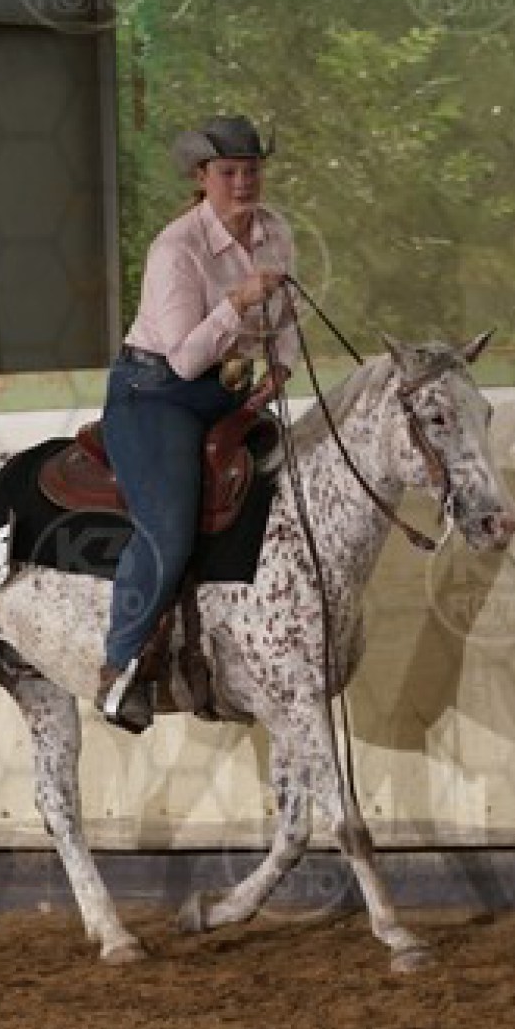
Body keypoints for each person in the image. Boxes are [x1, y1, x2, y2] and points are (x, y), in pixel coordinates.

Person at [97, 115, 299, 732]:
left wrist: (282, 367)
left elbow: (288, 312)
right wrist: (236, 302)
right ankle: (120, 664)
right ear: (202, 177)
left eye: (251, 170)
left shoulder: (275, 231)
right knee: (168, 530)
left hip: (226, 388)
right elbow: (184, 358)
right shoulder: (175, 250)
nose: (243, 183)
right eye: (229, 172)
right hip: (155, 393)